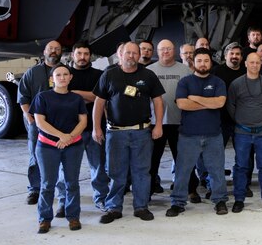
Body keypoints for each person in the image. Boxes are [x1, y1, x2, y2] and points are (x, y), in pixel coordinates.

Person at [92, 42, 165, 224]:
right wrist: (96, 127)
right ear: (120, 54)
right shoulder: (109, 74)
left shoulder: (148, 75)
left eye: (134, 53)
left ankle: (141, 207)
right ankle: (113, 208)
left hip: (142, 133)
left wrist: (158, 125)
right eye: (128, 53)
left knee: (141, 172)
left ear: (139, 55)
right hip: (115, 134)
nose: (131, 56)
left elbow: (158, 101)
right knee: (116, 172)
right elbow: (99, 103)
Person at [167, 48, 230, 217]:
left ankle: (220, 200)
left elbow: (220, 103)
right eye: (199, 61)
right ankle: (178, 203)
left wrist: (194, 98)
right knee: (182, 171)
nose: (203, 64)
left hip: (213, 135)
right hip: (188, 135)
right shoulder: (185, 82)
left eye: (206, 61)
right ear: (193, 63)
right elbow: (182, 104)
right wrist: (208, 103)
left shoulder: (218, 82)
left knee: (216, 170)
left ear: (211, 62)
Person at [32, 64, 87, 234]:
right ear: (52, 79)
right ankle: (44, 219)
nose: (62, 77)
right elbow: (40, 122)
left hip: (73, 146)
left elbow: (83, 122)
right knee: (48, 184)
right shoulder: (43, 97)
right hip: (48, 146)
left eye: (65, 74)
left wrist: (68, 138)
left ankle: (73, 216)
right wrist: (60, 136)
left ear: (70, 77)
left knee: (72, 183)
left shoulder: (76, 99)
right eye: (58, 75)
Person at [227, 53, 262, 212]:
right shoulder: (236, 84)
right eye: (252, 62)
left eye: (257, 62)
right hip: (242, 132)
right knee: (241, 167)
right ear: (246, 64)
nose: (255, 65)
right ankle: (239, 199)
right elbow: (231, 106)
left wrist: (261, 120)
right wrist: (242, 121)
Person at [18, 40, 63, 205]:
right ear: (44, 51)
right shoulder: (32, 72)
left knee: (61, 158)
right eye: (50, 48)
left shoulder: (65, 72)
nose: (53, 51)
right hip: (37, 125)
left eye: (57, 49)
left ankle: (60, 191)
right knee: (36, 158)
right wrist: (30, 119)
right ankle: (35, 190)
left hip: (61, 126)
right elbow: (23, 96)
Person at [65, 42, 108, 212]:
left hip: (94, 128)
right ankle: (65, 201)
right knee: (68, 169)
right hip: (69, 130)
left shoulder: (99, 75)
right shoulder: (64, 74)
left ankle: (101, 198)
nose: (82, 57)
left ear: (90, 56)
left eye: (86, 54)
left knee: (98, 167)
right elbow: (62, 96)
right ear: (73, 55)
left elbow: (98, 97)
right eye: (79, 53)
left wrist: (75, 93)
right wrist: (89, 97)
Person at [147, 40, 193, 196]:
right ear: (157, 51)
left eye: (168, 49)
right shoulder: (149, 71)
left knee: (183, 160)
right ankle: (148, 190)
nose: (165, 52)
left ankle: (189, 189)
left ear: (174, 51)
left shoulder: (185, 70)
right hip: (155, 123)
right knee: (152, 161)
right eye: (162, 49)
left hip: (180, 122)